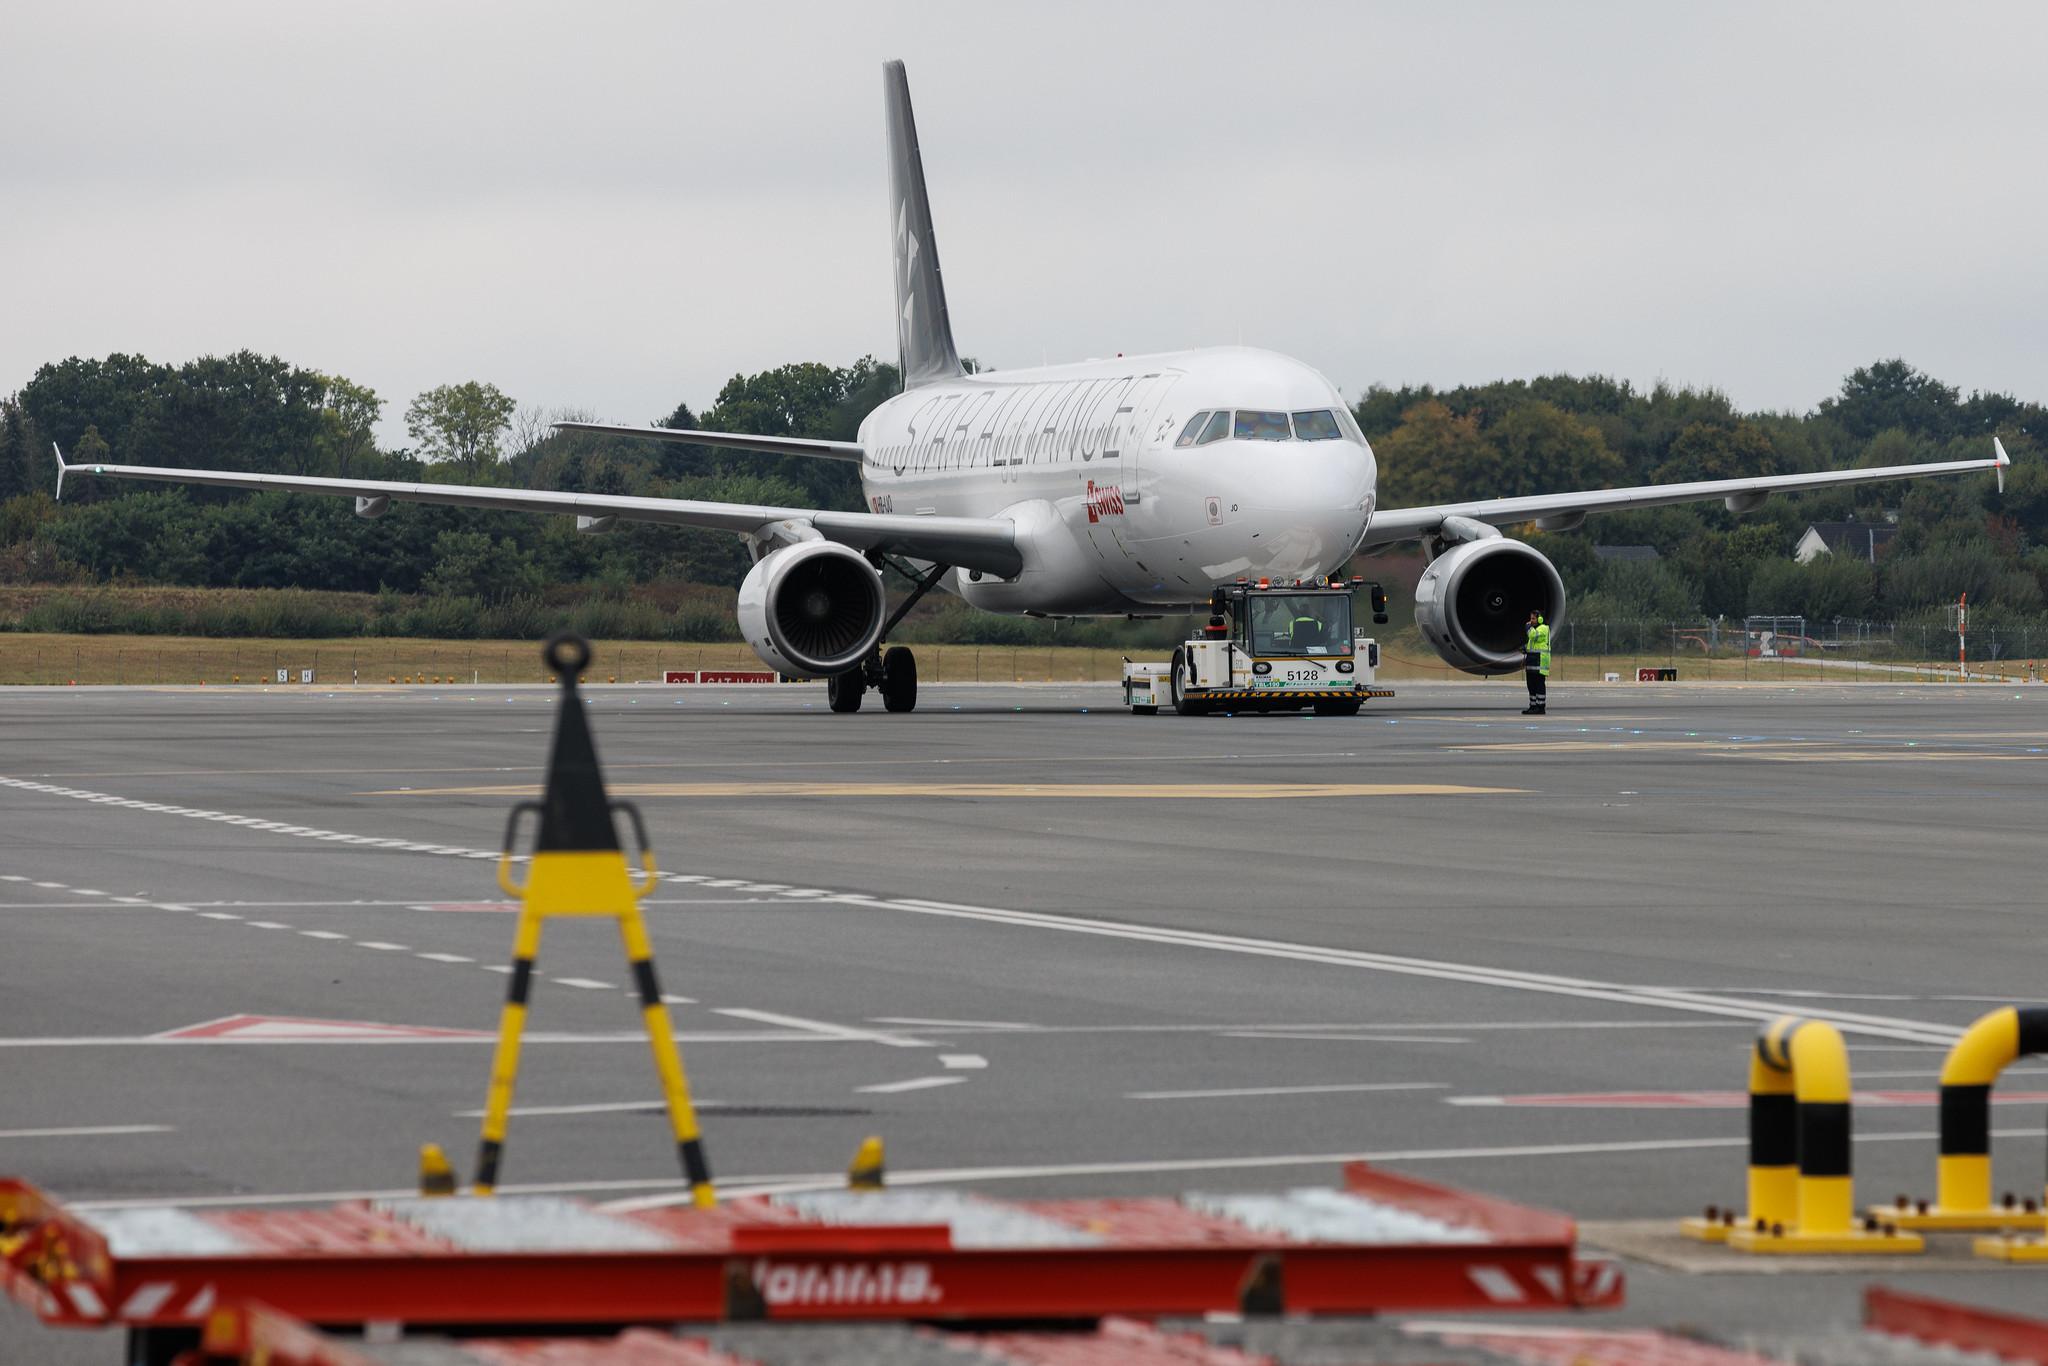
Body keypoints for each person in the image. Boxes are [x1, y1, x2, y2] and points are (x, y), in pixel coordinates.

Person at [1523, 610, 1551, 714]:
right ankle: (1533, 705)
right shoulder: (1535, 629)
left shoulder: (1543, 628)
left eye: (1533, 618)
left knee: (1539, 684)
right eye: (1531, 619)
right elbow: (1533, 644)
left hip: (1539, 661)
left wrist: (1528, 627)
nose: (1531, 621)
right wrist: (1525, 648)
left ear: (1540, 619)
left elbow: (1533, 636)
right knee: (1531, 684)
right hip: (1531, 660)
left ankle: (1540, 706)